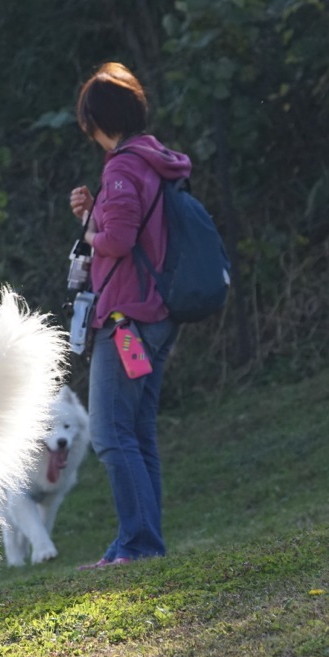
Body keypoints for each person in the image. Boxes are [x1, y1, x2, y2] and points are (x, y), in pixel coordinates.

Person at [67, 62, 189, 569]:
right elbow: (137, 228)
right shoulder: (153, 159)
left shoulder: (121, 165)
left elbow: (117, 240)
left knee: (110, 434)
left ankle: (138, 545)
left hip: (127, 318)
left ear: (97, 119)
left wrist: (91, 233)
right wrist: (94, 213)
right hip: (157, 313)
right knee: (137, 433)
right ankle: (137, 543)